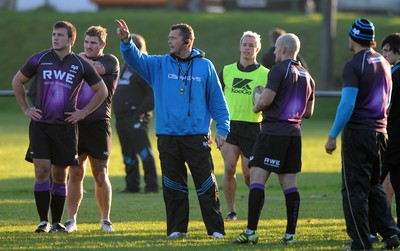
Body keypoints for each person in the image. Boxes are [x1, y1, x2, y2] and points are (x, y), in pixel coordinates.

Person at [115, 19, 230, 239]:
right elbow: (135, 59)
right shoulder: (159, 65)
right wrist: (127, 41)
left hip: (197, 136)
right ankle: (177, 230)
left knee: (206, 185)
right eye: (169, 38)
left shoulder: (205, 66)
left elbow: (217, 101)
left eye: (174, 38)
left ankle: (216, 230)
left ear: (187, 41)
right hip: (167, 136)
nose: (169, 41)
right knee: (173, 185)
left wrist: (223, 129)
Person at [11, 20, 107, 233]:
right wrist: (26, 109)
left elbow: (102, 91)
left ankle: (57, 223)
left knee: (60, 175)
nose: (55, 38)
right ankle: (43, 221)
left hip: (64, 128)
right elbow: (17, 81)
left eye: (60, 35)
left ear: (71, 39)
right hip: (41, 125)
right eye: (54, 34)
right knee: (42, 169)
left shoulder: (81, 64)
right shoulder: (39, 58)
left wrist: (83, 112)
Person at [232, 33, 315, 245]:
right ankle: (290, 235)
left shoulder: (279, 70)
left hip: (273, 132)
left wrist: (257, 104)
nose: (275, 52)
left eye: (276, 49)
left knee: (257, 178)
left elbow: (266, 100)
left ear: (284, 50)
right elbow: (308, 111)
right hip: (294, 134)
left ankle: (251, 232)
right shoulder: (307, 75)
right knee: (289, 183)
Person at [325, 18, 400, 250]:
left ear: (352, 37)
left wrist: (332, 135)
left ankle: (360, 241)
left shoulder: (355, 65)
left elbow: (347, 104)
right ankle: (391, 234)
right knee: (374, 186)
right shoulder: (385, 64)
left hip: (358, 132)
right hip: (380, 132)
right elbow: (387, 100)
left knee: (354, 189)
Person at [64, 25, 120, 232]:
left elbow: (93, 70)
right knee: (75, 173)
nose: (88, 46)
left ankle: (105, 220)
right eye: (86, 42)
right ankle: (71, 221)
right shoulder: (76, 60)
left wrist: (75, 56)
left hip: (99, 124)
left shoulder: (109, 61)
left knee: (100, 172)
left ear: (102, 45)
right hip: (76, 122)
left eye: (93, 43)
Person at [218, 31, 269, 222]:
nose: (247, 48)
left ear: (257, 49)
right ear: (240, 46)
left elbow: (270, 100)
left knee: (249, 174)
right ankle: (231, 212)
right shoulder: (227, 70)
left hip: (253, 127)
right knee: (230, 168)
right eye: (245, 44)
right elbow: (214, 97)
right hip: (230, 126)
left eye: (251, 45)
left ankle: (255, 206)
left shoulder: (266, 74)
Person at [114, 33, 159, 194]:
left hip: (136, 116)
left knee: (143, 150)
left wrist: (140, 112)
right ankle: (132, 185)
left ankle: (151, 186)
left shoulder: (143, 68)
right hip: (121, 117)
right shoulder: (126, 67)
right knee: (127, 151)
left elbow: (152, 94)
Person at [381, 33, 400, 227]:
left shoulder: (393, 75)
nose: (383, 54)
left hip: (392, 138)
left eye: (387, 50)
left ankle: (372, 229)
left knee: (373, 183)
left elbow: (386, 107)